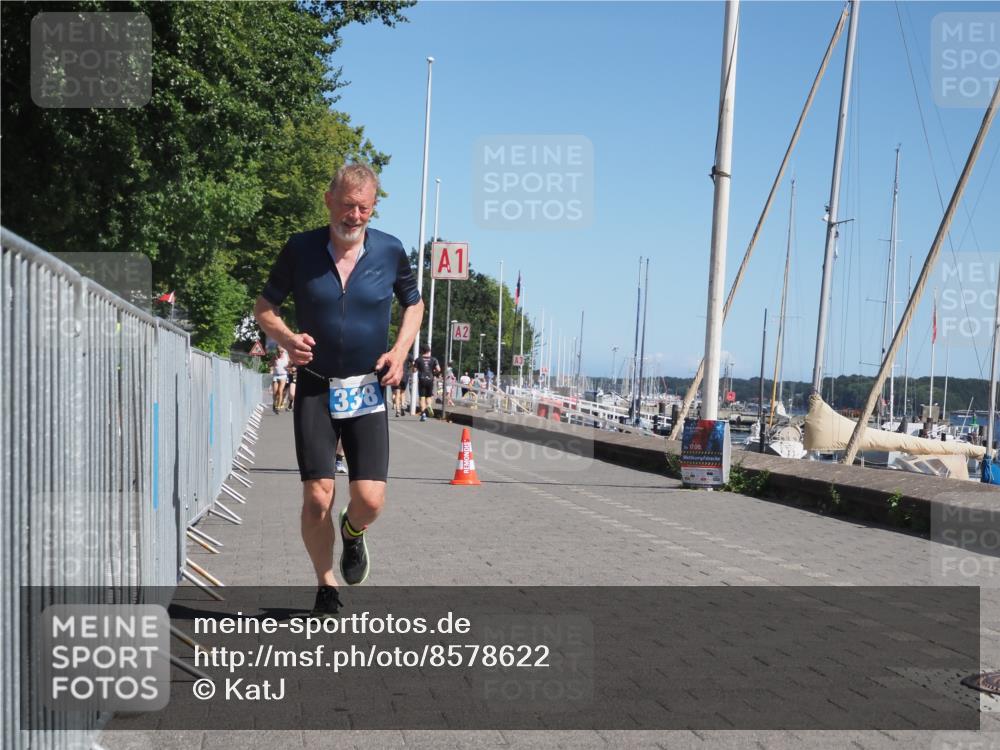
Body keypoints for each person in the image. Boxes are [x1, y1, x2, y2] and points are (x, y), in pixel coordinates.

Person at [253, 163, 423, 618]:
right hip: (314, 387)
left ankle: (353, 533)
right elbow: (265, 307)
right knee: (316, 496)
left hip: (367, 389)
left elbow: (414, 304)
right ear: (328, 199)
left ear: (374, 207)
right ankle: (326, 584)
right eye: (347, 205)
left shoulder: (389, 251)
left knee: (369, 499)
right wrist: (287, 339)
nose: (354, 215)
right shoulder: (300, 249)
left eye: (364, 207)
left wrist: (401, 352)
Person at [414, 345, 441, 422]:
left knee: (422, 397)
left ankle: (423, 414)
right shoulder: (434, 359)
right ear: (429, 351)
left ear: (421, 351)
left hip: (422, 379)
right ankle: (429, 405)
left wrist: (414, 367)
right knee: (428, 396)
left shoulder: (418, 359)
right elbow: (438, 369)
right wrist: (434, 372)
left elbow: (414, 370)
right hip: (430, 379)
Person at [271, 348, 289, 413]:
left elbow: (290, 364)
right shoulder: (274, 356)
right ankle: (274, 403)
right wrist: (273, 362)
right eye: (279, 352)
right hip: (275, 375)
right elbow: (269, 365)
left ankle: (278, 407)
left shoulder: (287, 357)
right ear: (277, 351)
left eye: (282, 352)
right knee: (275, 392)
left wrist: (289, 367)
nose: (280, 353)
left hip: (283, 375)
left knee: (280, 390)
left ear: (283, 351)